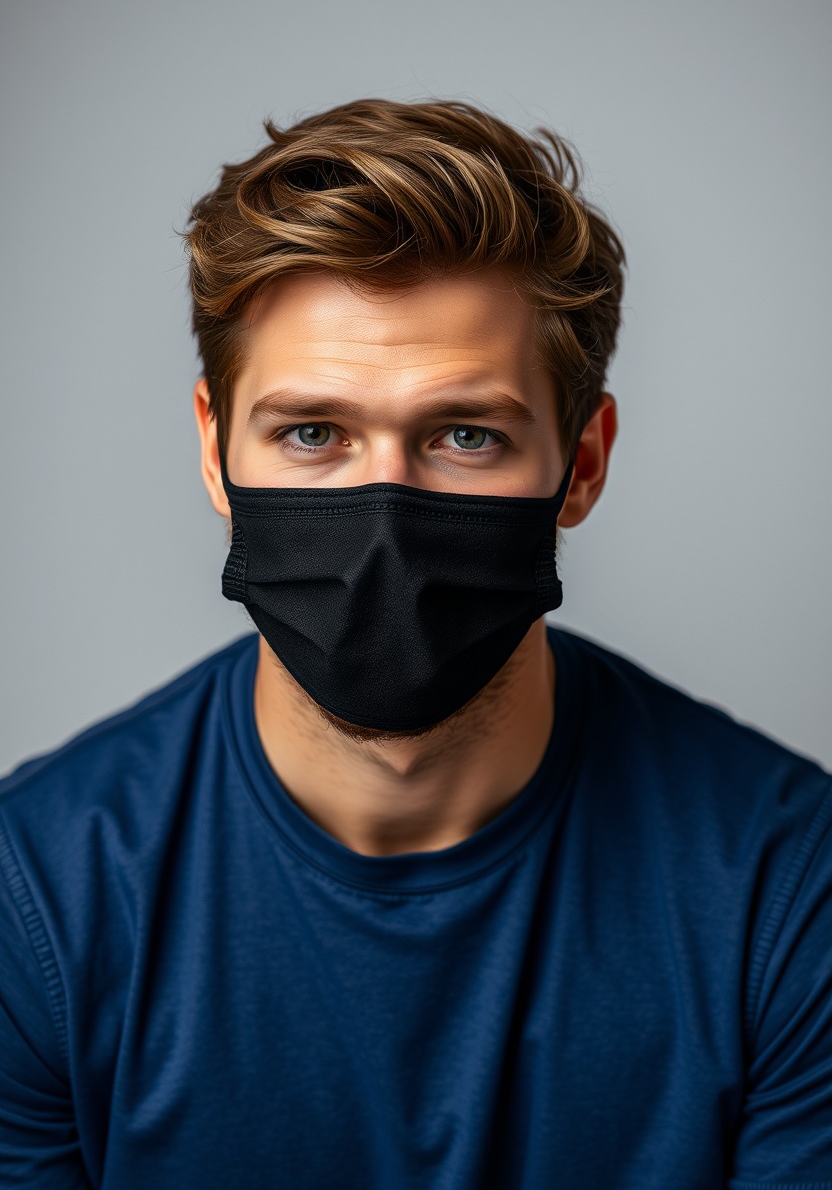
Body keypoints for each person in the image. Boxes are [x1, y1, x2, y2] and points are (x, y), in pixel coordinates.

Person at [1, 98, 829, 1190]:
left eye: (464, 435)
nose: (382, 516)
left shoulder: (786, 891)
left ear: (581, 464)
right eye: (312, 433)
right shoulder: (39, 898)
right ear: (214, 451)